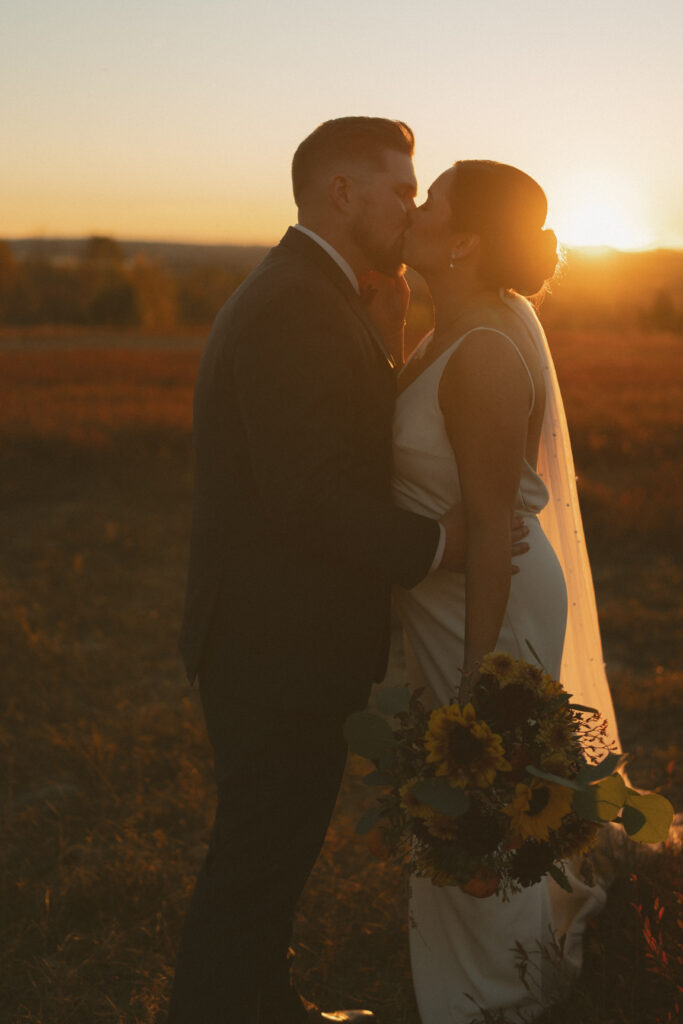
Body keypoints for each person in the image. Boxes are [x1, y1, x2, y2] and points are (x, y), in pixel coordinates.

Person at [169, 122, 529, 1024]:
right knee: (258, 847)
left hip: (285, 634)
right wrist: (441, 546)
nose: (410, 206)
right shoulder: (296, 301)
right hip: (271, 638)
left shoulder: (323, 291)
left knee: (275, 843)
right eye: (400, 189)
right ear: (340, 193)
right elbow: (307, 498)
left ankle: (258, 997)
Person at [385, 160, 622, 1022]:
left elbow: (492, 530)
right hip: (459, 596)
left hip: (494, 601)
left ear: (466, 241)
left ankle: (504, 996)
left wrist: (477, 680)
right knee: (463, 803)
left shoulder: (484, 351)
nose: (415, 206)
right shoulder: (441, 333)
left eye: (433, 198)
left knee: (481, 788)